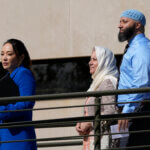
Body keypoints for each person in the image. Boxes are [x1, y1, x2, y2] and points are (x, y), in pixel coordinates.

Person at [117, 9, 150, 149]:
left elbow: (142, 84)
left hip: (137, 112)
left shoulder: (141, 48)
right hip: (132, 112)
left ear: (137, 25)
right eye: (120, 22)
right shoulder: (132, 48)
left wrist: (127, 111)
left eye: (125, 22)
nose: (120, 25)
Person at [76, 46, 119, 150]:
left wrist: (89, 123)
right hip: (94, 138)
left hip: (103, 140)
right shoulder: (96, 83)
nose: (90, 62)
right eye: (90, 59)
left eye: (94, 59)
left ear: (105, 62)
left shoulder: (108, 82)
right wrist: (81, 122)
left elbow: (110, 113)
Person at [0, 39, 37, 150]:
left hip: (19, 137)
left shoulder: (23, 73)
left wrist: (2, 111)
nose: (4, 58)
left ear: (21, 57)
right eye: (2, 54)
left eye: (9, 54)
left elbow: (26, 104)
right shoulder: (7, 77)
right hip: (6, 136)